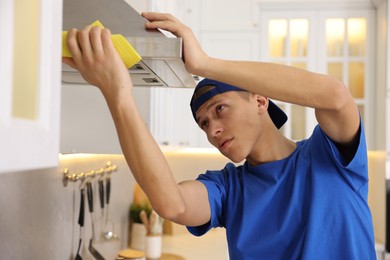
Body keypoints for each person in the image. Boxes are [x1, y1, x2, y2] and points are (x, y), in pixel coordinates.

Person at [63, 12, 376, 259]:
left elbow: (335, 96)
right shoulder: (229, 189)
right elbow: (173, 205)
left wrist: (204, 63)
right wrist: (118, 94)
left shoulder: (331, 156)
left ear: (260, 99)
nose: (211, 130)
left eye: (220, 109)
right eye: (203, 123)